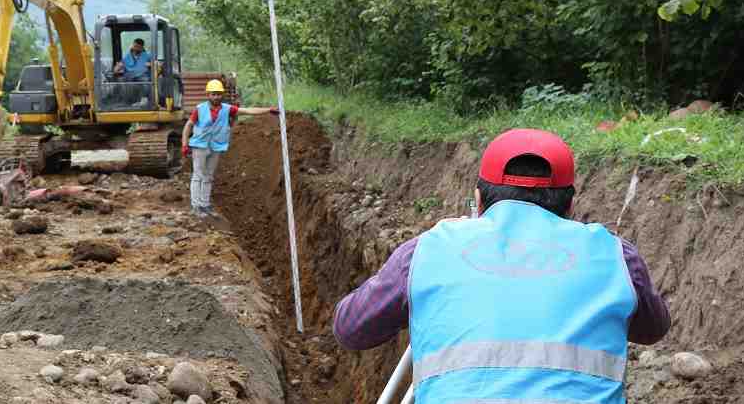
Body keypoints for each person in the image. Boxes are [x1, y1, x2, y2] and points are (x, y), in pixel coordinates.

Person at [333, 129, 670, 404]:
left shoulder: (428, 249)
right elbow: (653, 329)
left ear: (478, 199)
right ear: (571, 204)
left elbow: (351, 328)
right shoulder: (616, 255)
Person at [181, 79, 278, 218]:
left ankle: (205, 204)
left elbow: (247, 111)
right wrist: (185, 144)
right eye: (213, 94)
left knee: (208, 176)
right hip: (200, 146)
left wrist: (268, 110)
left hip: (216, 145)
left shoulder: (227, 109)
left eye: (218, 94)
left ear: (222, 95)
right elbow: (188, 126)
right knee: (198, 175)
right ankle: (196, 206)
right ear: (208, 94)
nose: (216, 97)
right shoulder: (200, 109)